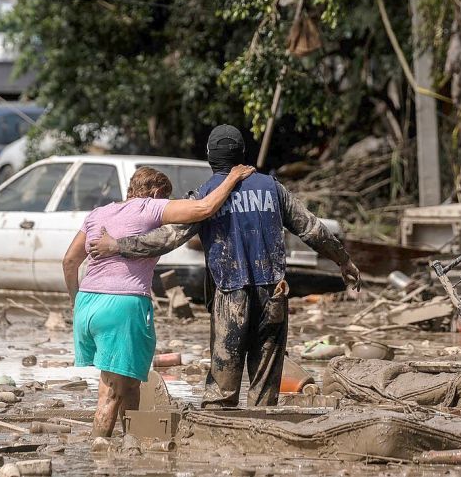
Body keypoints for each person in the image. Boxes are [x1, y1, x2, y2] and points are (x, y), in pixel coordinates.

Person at [90, 125, 361, 409]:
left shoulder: (207, 195)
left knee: (222, 387)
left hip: (230, 295)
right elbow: (312, 229)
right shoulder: (272, 188)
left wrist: (118, 245)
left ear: (210, 157)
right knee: (265, 382)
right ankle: (264, 436)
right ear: (242, 154)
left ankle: (219, 440)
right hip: (274, 293)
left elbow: (168, 238)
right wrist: (343, 261)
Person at [62, 164, 255, 437]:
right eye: (165, 196)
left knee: (129, 383)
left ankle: (133, 440)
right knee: (111, 391)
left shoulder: (98, 213)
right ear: (155, 192)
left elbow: (69, 261)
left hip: (88, 305)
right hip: (123, 305)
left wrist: (76, 302)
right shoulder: (150, 208)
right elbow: (203, 209)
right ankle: (98, 452)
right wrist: (233, 177)